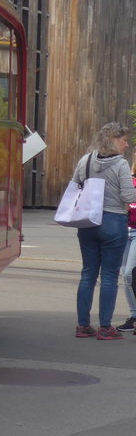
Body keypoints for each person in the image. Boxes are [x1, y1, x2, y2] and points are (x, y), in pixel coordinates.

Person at [72, 122, 136, 339]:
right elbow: (129, 197)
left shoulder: (85, 160)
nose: (127, 145)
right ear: (113, 140)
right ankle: (105, 327)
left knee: (88, 274)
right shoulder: (120, 165)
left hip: (88, 222)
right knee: (109, 276)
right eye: (124, 140)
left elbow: (75, 186)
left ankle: (83, 325)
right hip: (113, 221)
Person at [117, 175, 136, 332]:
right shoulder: (130, 182)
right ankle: (134, 316)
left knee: (130, 273)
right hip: (125, 230)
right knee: (125, 274)